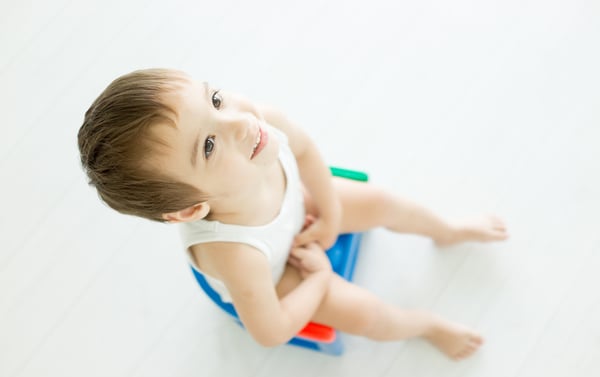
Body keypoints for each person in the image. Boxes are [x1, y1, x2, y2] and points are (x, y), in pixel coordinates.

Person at [78, 68, 508, 360]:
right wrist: (320, 278)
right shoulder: (234, 255)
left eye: (214, 98)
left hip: (296, 205)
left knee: (380, 200)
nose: (237, 123)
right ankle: (424, 326)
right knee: (364, 313)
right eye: (208, 145)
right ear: (192, 208)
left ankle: (447, 229)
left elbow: (304, 151)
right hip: (276, 268)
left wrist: (332, 211)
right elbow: (270, 332)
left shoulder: (259, 122)